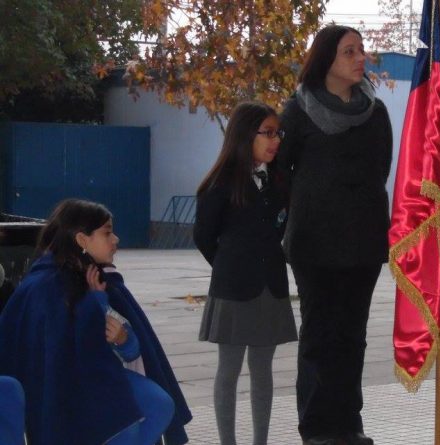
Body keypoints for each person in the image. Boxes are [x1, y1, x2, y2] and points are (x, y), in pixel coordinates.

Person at [279, 25, 392, 445]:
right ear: (327, 59)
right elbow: (282, 173)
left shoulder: (376, 113)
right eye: (350, 51)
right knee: (319, 335)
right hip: (314, 244)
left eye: (361, 50)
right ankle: (316, 428)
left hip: (363, 242)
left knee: (352, 336)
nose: (361, 58)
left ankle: (348, 425)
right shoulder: (298, 110)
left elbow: (381, 169)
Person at [0, 198, 192, 445]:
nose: (116, 240)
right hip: (69, 395)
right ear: (82, 240)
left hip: (98, 383)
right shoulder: (45, 287)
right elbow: (57, 361)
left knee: (158, 404)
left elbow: (124, 343)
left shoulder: (98, 280)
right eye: (107, 233)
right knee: (125, 421)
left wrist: (123, 337)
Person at [194, 101, 297, 445]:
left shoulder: (280, 180)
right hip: (234, 289)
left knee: (263, 369)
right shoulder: (220, 184)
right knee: (229, 370)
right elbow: (204, 237)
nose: (276, 140)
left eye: (278, 133)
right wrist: (230, 266)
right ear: (244, 135)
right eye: (268, 133)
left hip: (271, 287)